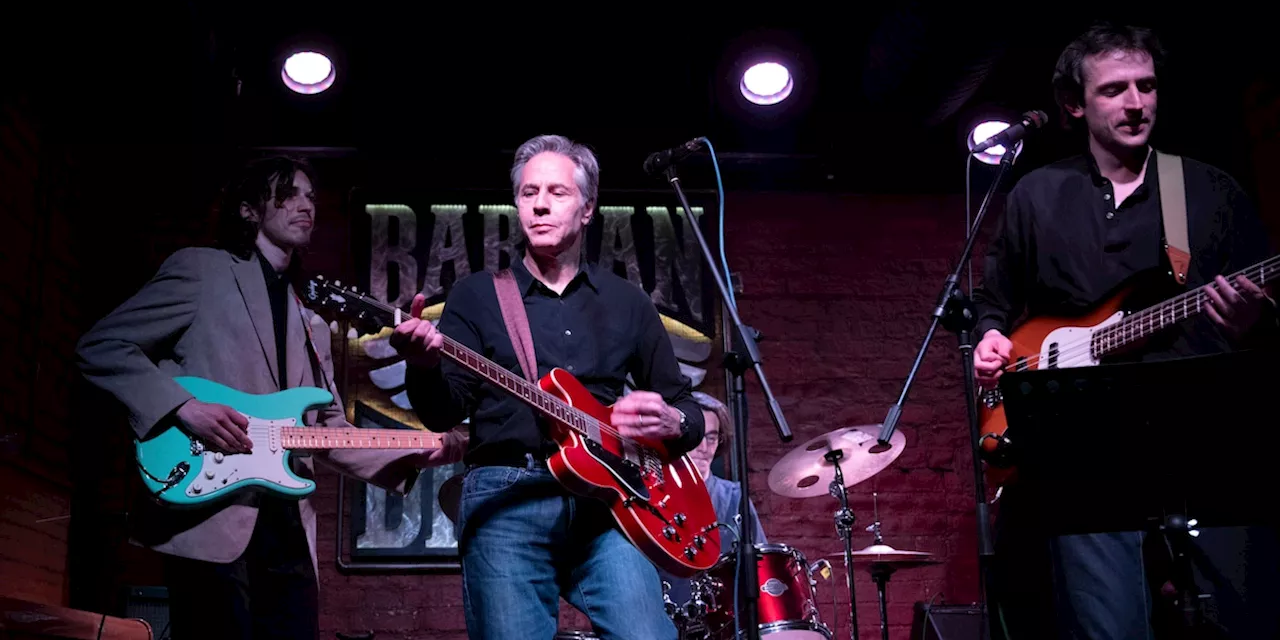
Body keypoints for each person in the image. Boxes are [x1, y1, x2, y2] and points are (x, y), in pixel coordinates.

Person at [971, 22, 1279, 640]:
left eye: (1146, 86)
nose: (1135, 103)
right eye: (1114, 90)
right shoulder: (1037, 194)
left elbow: (1267, 317)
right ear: (1075, 104)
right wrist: (991, 336)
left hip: (1205, 438)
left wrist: (1257, 321)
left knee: (1241, 619)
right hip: (1084, 451)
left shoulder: (1209, 191)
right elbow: (994, 300)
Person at [75, 156, 466, 640]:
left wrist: (419, 450)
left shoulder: (311, 322)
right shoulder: (202, 271)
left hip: (288, 527)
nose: (307, 206)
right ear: (248, 210)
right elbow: (103, 346)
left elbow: (328, 435)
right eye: (290, 193)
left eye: (310, 197)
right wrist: (184, 407)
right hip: (211, 513)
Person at [390, 134, 706, 640]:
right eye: (528, 192)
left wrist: (674, 421)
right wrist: (423, 366)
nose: (539, 204)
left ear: (587, 209)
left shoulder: (628, 302)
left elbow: (684, 407)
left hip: (612, 502)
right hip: (506, 495)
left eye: (557, 192)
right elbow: (442, 413)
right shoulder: (477, 296)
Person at [655, 392, 767, 624]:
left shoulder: (736, 497)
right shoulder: (653, 495)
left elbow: (762, 565)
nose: (704, 447)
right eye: (696, 437)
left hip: (723, 625)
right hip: (662, 621)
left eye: (712, 438)